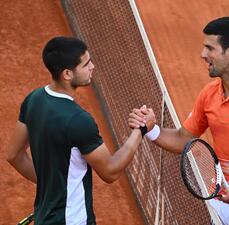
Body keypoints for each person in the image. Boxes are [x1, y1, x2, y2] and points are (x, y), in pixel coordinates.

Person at [129, 17, 229, 225]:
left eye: (210, 48)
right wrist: (151, 129)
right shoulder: (209, 95)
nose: (202, 55)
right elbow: (183, 139)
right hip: (221, 203)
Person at [6, 36, 154, 225]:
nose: (92, 66)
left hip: (46, 218)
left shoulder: (34, 100)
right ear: (67, 74)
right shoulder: (79, 121)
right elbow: (110, 171)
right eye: (86, 64)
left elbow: (14, 155)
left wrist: (52, 189)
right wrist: (140, 131)